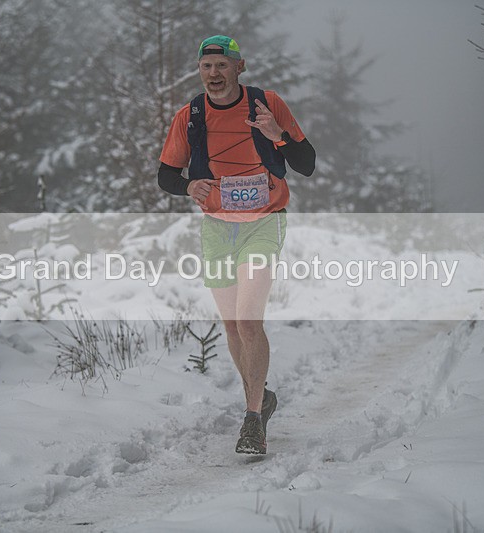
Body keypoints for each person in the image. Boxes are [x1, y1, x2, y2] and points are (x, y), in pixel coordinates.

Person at [157, 35, 315, 454]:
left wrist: (277, 134)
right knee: (231, 326)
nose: (214, 74)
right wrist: (188, 184)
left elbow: (307, 164)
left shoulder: (267, 104)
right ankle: (261, 400)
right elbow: (166, 176)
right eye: (207, 66)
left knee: (248, 321)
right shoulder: (189, 116)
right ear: (200, 70)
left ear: (238, 67)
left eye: (222, 65)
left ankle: (251, 422)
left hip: (263, 224)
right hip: (216, 227)